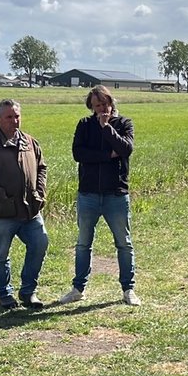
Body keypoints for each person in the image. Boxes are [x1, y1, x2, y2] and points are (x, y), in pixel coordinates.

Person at [56, 85, 141, 306]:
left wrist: (107, 129)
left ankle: (128, 289)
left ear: (111, 102)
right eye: (97, 105)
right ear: (91, 107)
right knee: (83, 243)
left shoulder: (124, 124)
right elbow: (78, 153)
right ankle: (78, 288)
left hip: (116, 194)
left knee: (124, 244)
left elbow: (125, 149)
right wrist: (107, 155)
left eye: (105, 103)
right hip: (89, 194)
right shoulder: (84, 125)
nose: (102, 108)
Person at [0, 99, 49, 309]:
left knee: (40, 243)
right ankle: (5, 295)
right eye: (9, 117)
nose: (14, 121)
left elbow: (42, 168)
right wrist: (2, 195)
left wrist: (39, 192)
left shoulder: (30, 142)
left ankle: (28, 292)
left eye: (17, 116)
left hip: (30, 210)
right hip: (1, 212)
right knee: (0, 253)